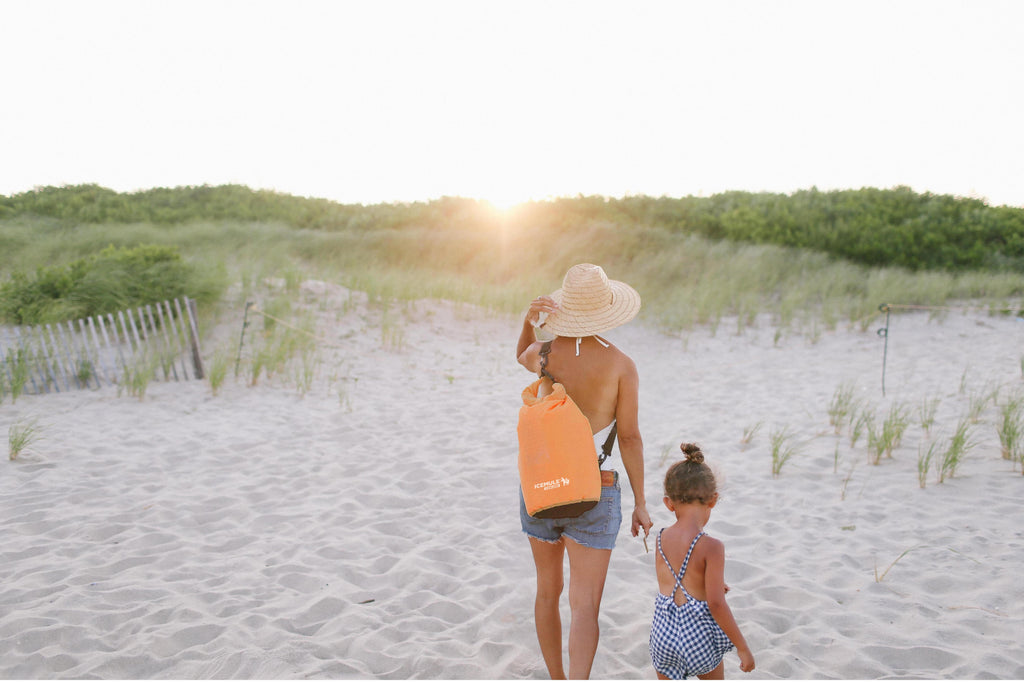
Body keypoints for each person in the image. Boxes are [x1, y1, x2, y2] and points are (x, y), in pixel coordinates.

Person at [516, 263, 652, 679]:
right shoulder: (621, 365)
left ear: (565, 309)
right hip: (597, 488)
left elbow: (519, 354)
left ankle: (556, 678)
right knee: (585, 604)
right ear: (607, 309)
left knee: (546, 592)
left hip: (540, 486)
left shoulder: (544, 354)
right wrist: (641, 504)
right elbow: (628, 438)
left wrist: (528, 323)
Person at [649, 443, 755, 680]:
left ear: (669, 503)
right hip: (697, 636)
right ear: (713, 500)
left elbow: (674, 585)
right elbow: (716, 604)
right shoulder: (712, 546)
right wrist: (742, 647)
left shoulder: (661, 538)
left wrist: (711, 586)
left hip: (662, 635)